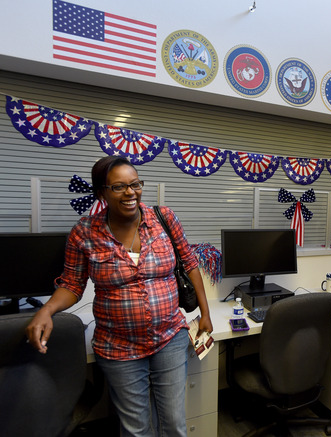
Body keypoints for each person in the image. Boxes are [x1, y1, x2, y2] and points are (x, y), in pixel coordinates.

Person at [26, 155, 213, 437]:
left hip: (170, 338)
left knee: (174, 424)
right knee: (136, 430)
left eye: (135, 184)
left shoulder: (164, 218)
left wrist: (206, 314)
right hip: (119, 348)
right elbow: (72, 285)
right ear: (101, 192)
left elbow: (190, 263)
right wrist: (46, 310)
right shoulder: (84, 232)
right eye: (119, 187)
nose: (130, 193)